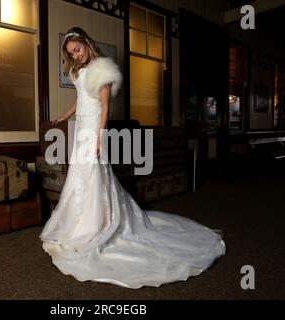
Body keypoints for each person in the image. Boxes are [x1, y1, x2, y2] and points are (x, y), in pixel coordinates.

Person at [40, 27, 225, 289]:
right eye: (71, 53)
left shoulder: (101, 69)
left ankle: (96, 225)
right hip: (81, 126)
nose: (76, 55)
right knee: (79, 174)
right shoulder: (78, 70)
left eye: (78, 49)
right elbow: (80, 99)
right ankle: (77, 224)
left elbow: (104, 106)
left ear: (86, 43)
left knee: (94, 174)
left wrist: (100, 138)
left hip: (94, 128)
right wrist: (64, 116)